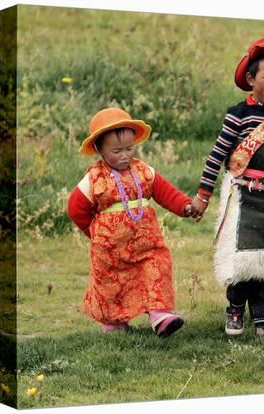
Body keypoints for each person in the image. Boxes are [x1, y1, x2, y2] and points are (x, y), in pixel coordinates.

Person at [190, 36, 264, 339]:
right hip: (243, 198)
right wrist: (202, 196)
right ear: (250, 79)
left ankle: (263, 319)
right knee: (242, 260)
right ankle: (235, 309)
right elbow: (217, 157)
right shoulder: (238, 115)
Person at [67, 107, 194, 337]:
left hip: (147, 243)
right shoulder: (95, 178)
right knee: (111, 285)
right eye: (117, 150)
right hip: (111, 250)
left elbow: (165, 192)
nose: (125, 155)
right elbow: (76, 208)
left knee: (157, 268)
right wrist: (95, 232)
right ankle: (114, 323)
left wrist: (184, 206)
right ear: (99, 149)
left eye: (129, 148)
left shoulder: (143, 171)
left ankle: (160, 315)